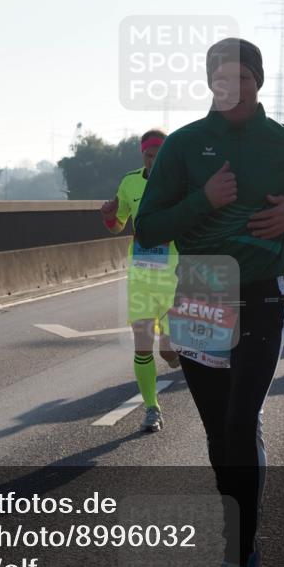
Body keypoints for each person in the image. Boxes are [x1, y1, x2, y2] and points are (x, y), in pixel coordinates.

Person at [136, 37, 284, 567]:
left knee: (239, 417)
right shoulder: (184, 145)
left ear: (258, 80)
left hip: (261, 297)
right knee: (220, 437)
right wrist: (202, 199)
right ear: (209, 83)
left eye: (243, 76)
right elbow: (149, 226)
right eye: (221, 77)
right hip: (201, 293)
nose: (233, 86)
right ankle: (240, 535)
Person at [100, 129, 180, 433]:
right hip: (141, 277)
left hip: (173, 278)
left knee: (169, 351)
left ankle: (178, 357)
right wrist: (109, 215)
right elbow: (116, 223)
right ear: (143, 155)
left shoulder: (180, 182)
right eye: (149, 155)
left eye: (160, 155)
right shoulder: (130, 182)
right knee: (143, 347)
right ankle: (151, 408)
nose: (154, 160)